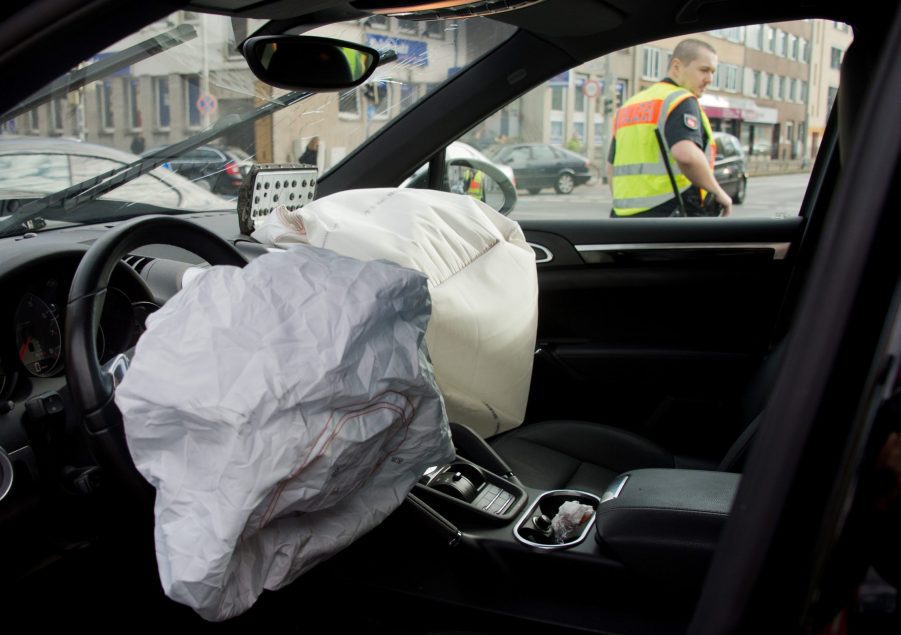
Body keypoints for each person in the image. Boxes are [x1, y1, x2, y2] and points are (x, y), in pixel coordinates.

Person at [607, 39, 732, 218]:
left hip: (623, 217)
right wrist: (719, 193)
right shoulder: (680, 100)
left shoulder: (630, 105)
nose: (709, 79)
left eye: (712, 72)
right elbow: (686, 155)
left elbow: (611, 167)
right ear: (677, 66)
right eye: (704, 70)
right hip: (670, 215)